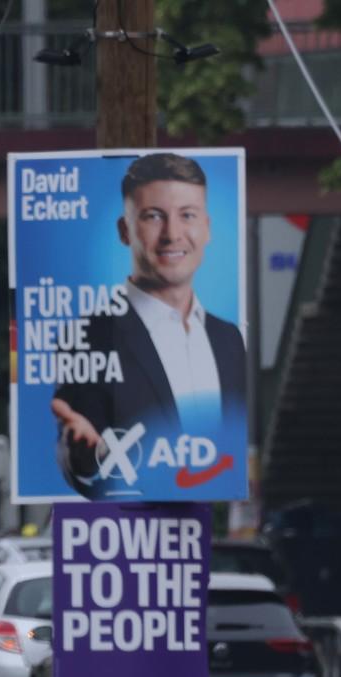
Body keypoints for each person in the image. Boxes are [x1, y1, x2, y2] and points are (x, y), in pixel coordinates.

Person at [51, 152, 245, 496]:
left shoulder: (229, 339)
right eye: (154, 216)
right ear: (125, 231)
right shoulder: (90, 336)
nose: (173, 234)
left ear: (207, 228)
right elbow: (82, 461)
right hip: (136, 526)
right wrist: (87, 454)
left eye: (187, 215)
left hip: (209, 525)